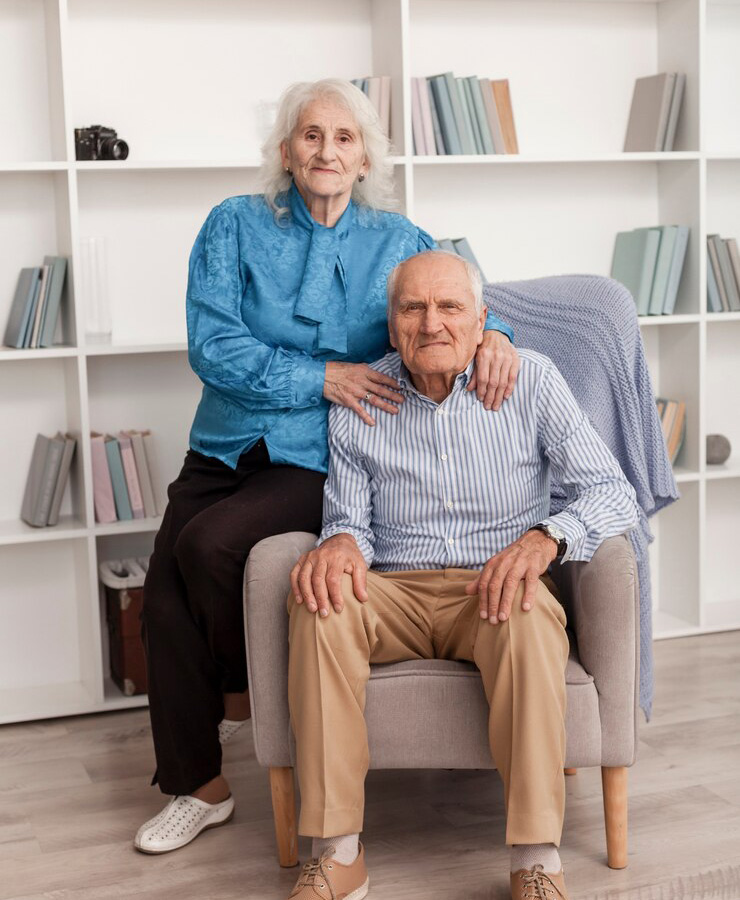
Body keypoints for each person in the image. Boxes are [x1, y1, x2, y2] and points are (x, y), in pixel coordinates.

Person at [134, 80, 519, 854]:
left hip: (321, 449)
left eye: (344, 138)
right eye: (311, 136)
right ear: (287, 150)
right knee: (163, 597)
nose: (326, 151)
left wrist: (500, 336)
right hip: (222, 439)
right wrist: (321, 374)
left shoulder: (400, 236)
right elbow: (214, 347)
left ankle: (241, 689)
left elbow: (458, 299)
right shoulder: (232, 225)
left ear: (364, 155)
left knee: (206, 546)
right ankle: (198, 787)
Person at [286, 250, 640, 900]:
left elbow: (613, 491)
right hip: (393, 587)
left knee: (530, 613)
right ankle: (337, 853)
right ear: (392, 327)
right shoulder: (364, 398)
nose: (431, 323)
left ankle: (536, 861)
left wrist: (548, 537)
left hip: (496, 586)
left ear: (482, 321)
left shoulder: (532, 381)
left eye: (450, 307)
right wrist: (338, 540)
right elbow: (352, 523)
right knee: (320, 602)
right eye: (413, 309)